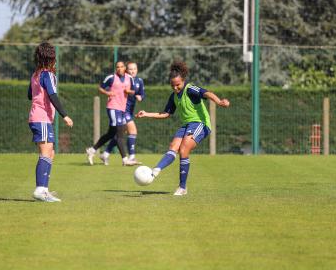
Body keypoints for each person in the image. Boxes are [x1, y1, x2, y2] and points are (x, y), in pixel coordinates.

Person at [136, 61, 230, 196]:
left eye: (177, 85)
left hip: (200, 124)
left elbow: (207, 93)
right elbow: (165, 114)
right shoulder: (173, 96)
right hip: (187, 125)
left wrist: (219, 101)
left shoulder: (191, 89)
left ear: (183, 81)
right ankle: (156, 170)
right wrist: (146, 114)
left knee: (184, 149)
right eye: (172, 85)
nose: (175, 88)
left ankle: (182, 187)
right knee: (173, 146)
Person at [28, 42, 73, 202]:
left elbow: (29, 95)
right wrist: (65, 115)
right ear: (51, 58)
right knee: (46, 153)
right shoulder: (47, 75)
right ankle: (40, 190)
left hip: (36, 117)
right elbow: (53, 96)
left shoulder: (35, 74)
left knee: (50, 153)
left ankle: (44, 190)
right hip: (42, 119)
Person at [86, 61, 137, 166]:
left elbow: (133, 91)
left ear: (125, 68)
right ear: (116, 68)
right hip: (113, 108)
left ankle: (92, 150)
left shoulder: (130, 78)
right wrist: (107, 92)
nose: (120, 68)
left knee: (111, 134)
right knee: (120, 135)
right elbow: (100, 88)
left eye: (122, 66)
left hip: (122, 109)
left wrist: (129, 92)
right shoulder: (111, 78)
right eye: (117, 67)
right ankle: (125, 159)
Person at [100, 62, 145, 165]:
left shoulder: (139, 81)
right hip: (123, 111)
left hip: (129, 111)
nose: (132, 71)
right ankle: (131, 157)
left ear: (137, 70)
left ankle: (105, 154)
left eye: (134, 69)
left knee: (119, 134)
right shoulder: (125, 80)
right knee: (132, 131)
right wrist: (110, 94)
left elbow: (142, 94)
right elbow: (110, 88)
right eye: (130, 69)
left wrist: (140, 97)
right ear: (126, 70)